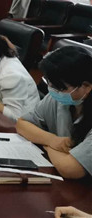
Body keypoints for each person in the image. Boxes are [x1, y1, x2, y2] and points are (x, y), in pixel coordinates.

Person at [16, 46, 92, 179]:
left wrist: (46, 145)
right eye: (50, 84)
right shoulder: (60, 97)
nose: (53, 90)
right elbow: (22, 124)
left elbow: (71, 169)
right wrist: (53, 140)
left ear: (86, 87)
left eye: (60, 87)